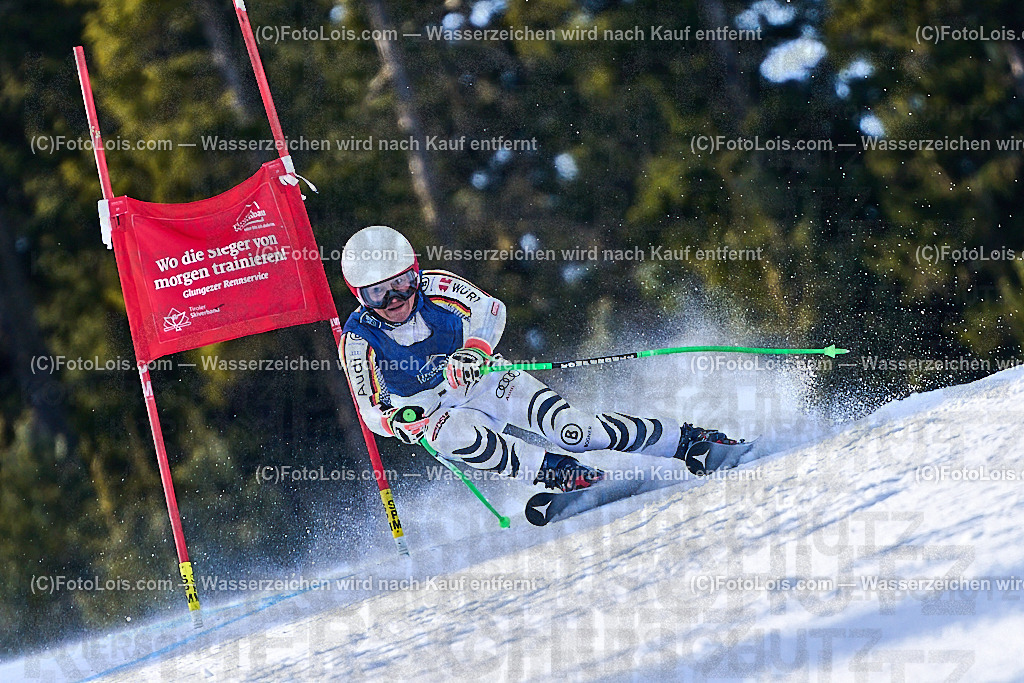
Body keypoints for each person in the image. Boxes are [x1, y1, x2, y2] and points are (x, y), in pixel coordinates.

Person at [338, 225, 741, 492]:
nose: (397, 300)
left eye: (403, 283)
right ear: (360, 296)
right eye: (380, 294)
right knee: (447, 433)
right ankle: (557, 473)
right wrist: (396, 422)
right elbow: (369, 409)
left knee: (575, 431)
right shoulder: (358, 340)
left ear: (415, 272)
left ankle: (687, 441)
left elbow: (490, 309)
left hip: (483, 381)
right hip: (436, 412)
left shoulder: (438, 286)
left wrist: (474, 350)